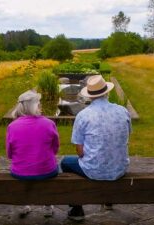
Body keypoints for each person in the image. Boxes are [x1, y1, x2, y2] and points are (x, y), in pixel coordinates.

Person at [61, 75, 131, 221]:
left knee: (65, 162)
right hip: (120, 168)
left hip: (94, 170)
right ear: (107, 92)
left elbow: (80, 153)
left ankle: (77, 209)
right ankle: (108, 201)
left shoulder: (83, 115)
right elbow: (125, 137)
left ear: (90, 96)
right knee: (111, 153)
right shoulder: (123, 111)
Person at [6, 90, 60, 218]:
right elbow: (55, 149)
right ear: (36, 106)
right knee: (56, 168)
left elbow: (9, 154)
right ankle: (47, 206)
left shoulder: (12, 126)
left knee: (25, 171)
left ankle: (24, 205)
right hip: (47, 171)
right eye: (39, 103)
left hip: (20, 172)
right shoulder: (49, 123)